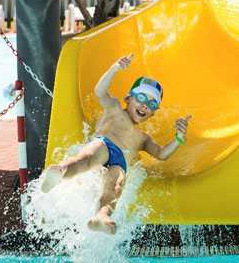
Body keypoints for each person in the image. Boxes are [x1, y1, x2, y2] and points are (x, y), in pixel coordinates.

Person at [42, 54, 191, 234]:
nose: (145, 106)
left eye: (151, 104)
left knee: (115, 187)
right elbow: (100, 91)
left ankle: (102, 216)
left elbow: (162, 154)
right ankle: (61, 171)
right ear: (128, 98)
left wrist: (179, 138)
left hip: (120, 162)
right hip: (104, 145)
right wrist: (115, 68)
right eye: (141, 98)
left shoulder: (143, 138)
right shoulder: (114, 108)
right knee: (87, 158)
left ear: (153, 113)